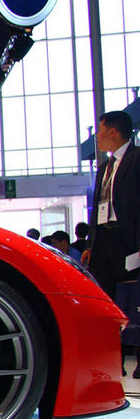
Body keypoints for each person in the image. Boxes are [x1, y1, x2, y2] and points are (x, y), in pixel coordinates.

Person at [83, 111, 138, 299]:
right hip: (103, 240)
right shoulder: (104, 168)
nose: (97, 136)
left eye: (100, 130)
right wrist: (90, 244)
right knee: (104, 294)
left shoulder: (136, 159)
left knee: (130, 294)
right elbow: (97, 208)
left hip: (128, 238)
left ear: (112, 132)